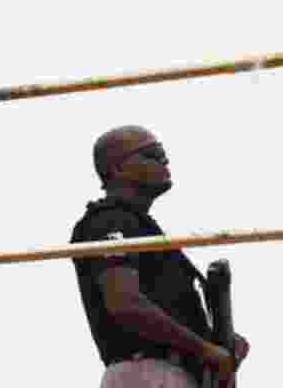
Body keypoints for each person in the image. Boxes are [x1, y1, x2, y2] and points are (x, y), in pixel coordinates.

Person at [70, 125, 250, 388]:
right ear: (118, 168)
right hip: (149, 373)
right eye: (153, 154)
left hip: (170, 373)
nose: (164, 161)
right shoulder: (109, 220)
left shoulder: (141, 227)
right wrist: (206, 350)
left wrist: (220, 341)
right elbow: (126, 304)